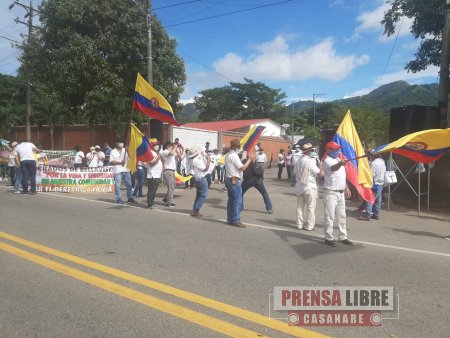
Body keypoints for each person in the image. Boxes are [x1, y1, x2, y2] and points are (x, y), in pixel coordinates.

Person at [320, 141, 353, 246]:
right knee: (330, 216)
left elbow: (342, 176)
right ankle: (328, 238)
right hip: (331, 192)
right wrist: (340, 164)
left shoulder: (338, 159)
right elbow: (333, 168)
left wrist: (346, 187)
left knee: (342, 216)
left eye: (338, 149)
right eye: (335, 149)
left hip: (340, 192)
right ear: (329, 150)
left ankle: (343, 236)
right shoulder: (327, 161)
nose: (338, 151)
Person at [224, 139, 254, 227]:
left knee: (231, 201)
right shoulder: (233, 155)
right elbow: (242, 168)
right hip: (234, 180)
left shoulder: (229, 154)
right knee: (237, 201)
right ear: (236, 147)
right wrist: (249, 160)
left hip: (230, 179)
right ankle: (236, 220)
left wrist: (242, 159)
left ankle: (230, 219)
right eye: (238, 146)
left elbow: (235, 165)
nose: (239, 147)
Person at [294, 143, 320, 230]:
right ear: (309, 151)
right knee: (311, 207)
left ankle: (299, 224)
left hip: (299, 186)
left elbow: (294, 173)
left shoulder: (298, 161)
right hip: (309, 186)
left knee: (299, 207)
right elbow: (318, 172)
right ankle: (309, 226)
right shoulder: (310, 161)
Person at [359, 153, 386, 221]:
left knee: (370, 199)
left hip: (375, 183)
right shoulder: (383, 162)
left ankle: (368, 215)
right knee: (378, 200)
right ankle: (376, 214)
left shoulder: (374, 163)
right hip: (380, 182)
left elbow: (371, 174)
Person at [109, 140, 137, 205]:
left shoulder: (125, 150)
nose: (122, 144)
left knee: (129, 185)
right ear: (117, 143)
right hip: (118, 171)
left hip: (126, 170)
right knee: (117, 186)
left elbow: (132, 158)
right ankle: (118, 199)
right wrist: (120, 162)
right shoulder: (113, 151)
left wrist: (127, 151)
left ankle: (130, 198)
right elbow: (111, 161)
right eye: (120, 142)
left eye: (122, 142)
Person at [189, 147, 211, 217]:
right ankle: (195, 210)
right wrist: (208, 161)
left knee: (199, 195)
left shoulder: (194, 160)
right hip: (201, 178)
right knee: (203, 195)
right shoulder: (197, 160)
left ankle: (195, 209)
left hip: (198, 178)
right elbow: (205, 169)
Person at [146, 138, 162, 209]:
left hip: (157, 174)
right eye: (155, 145)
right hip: (152, 174)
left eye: (157, 145)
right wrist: (158, 158)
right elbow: (151, 163)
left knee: (154, 190)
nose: (157, 146)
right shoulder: (150, 153)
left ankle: (152, 202)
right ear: (152, 146)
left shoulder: (156, 153)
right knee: (151, 190)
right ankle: (150, 204)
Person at [161, 141, 177, 207]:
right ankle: (169, 202)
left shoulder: (171, 151)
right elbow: (171, 153)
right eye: (170, 145)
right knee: (171, 187)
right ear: (167, 146)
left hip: (172, 170)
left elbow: (179, 156)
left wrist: (176, 148)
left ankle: (166, 199)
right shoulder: (165, 151)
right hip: (168, 170)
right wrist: (175, 147)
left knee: (172, 186)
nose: (171, 146)